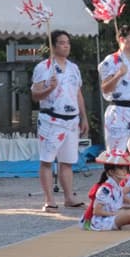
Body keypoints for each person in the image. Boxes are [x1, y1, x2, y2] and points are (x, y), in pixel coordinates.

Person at [29, 31, 88, 211]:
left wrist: (83, 117)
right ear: (53, 46)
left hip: (71, 119)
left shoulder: (74, 68)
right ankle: (49, 198)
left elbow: (78, 93)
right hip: (51, 119)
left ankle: (69, 196)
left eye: (68, 43)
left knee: (68, 161)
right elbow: (35, 95)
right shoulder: (43, 67)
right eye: (61, 43)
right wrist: (49, 88)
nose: (66, 46)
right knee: (47, 160)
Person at [80, 146, 130, 231]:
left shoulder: (118, 187)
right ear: (111, 172)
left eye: (125, 168)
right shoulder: (105, 189)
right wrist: (115, 213)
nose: (125, 171)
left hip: (116, 215)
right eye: (121, 169)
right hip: (104, 220)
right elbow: (97, 211)